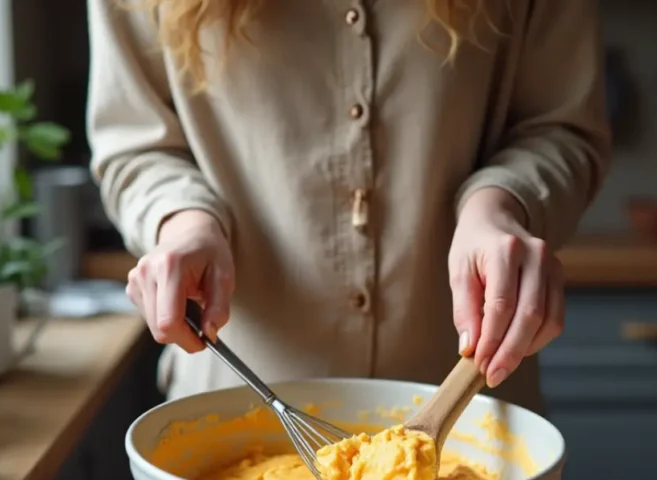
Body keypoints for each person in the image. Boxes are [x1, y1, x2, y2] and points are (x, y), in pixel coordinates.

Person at [86, 0, 610, 410]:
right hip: (232, 397)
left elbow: (560, 127)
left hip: (474, 407)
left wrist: (498, 206)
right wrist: (184, 221)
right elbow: (135, 145)